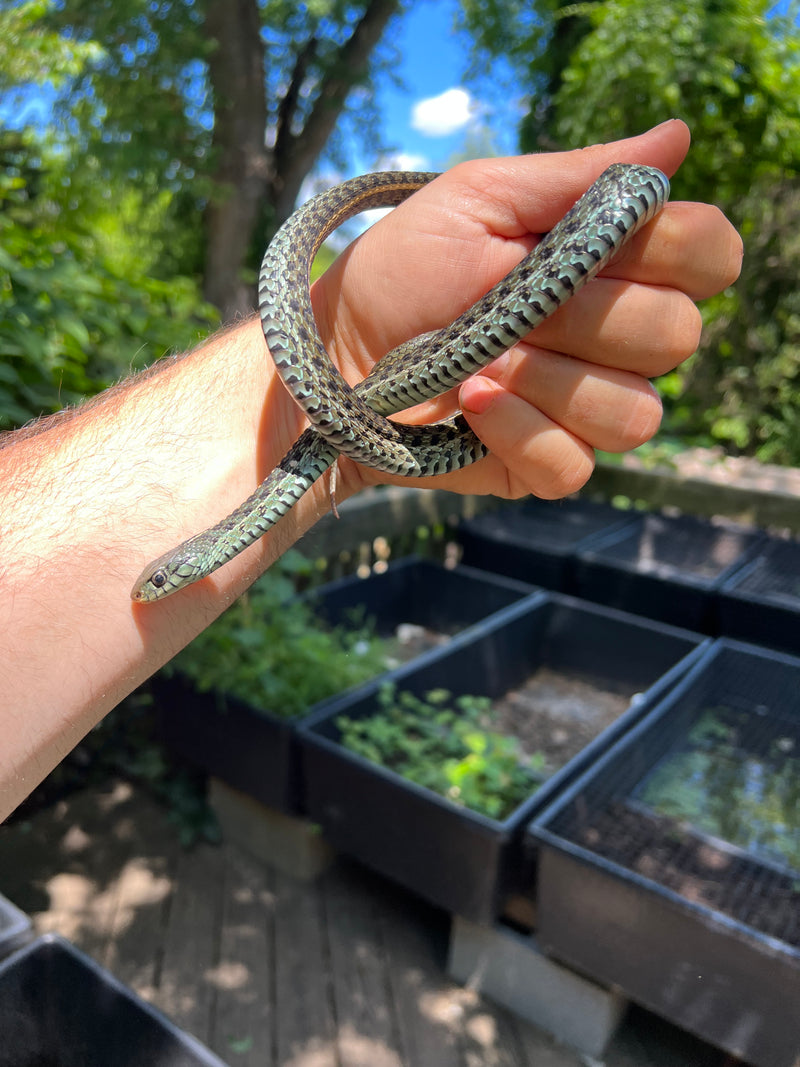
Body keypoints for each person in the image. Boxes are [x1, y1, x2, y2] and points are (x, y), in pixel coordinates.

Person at [0, 121, 742, 819]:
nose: (160, 585)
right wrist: (344, 363)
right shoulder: (327, 432)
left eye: (165, 575)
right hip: (373, 413)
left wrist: (343, 345)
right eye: (163, 578)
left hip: (375, 393)